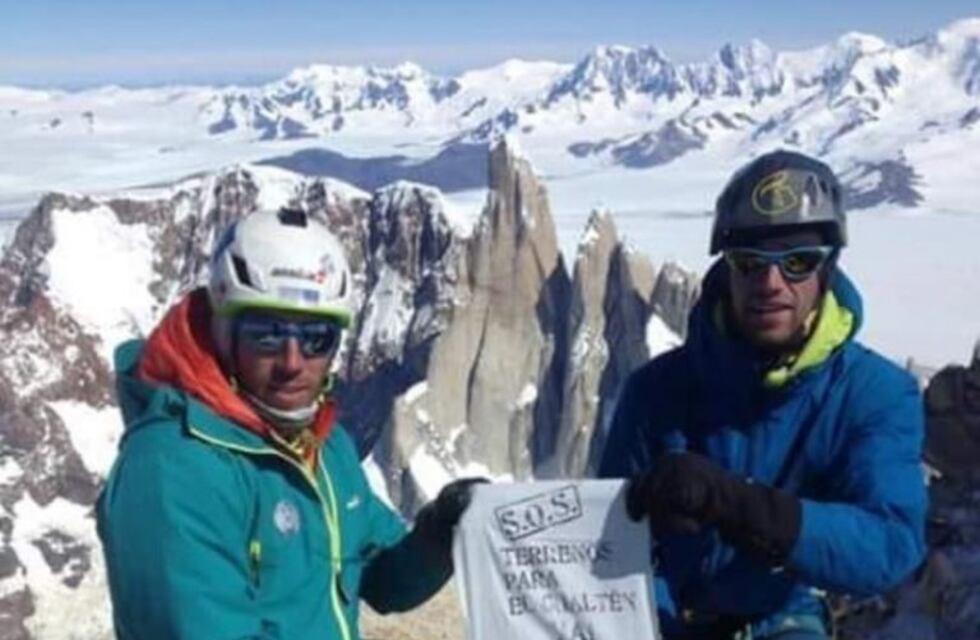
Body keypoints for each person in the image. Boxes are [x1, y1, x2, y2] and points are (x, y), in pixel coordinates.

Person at [97, 207, 481, 640]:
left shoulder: (321, 443)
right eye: (266, 334)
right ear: (223, 331)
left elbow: (382, 577)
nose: (292, 363)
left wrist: (440, 534)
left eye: (316, 338)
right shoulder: (174, 467)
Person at [599, 150, 927, 639]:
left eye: (797, 262)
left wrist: (738, 505)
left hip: (783, 621)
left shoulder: (875, 395)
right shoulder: (656, 390)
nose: (771, 283)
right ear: (727, 269)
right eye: (749, 263)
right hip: (660, 617)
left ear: (828, 269)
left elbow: (889, 545)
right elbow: (611, 537)